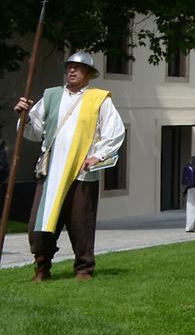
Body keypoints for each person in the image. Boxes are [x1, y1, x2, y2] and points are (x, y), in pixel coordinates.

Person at [12, 51, 125, 281]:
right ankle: (42, 268)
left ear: (89, 74)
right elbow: (33, 132)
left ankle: (84, 269)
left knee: (81, 223)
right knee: (40, 223)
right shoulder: (51, 96)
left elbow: (115, 132)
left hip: (81, 173)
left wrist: (98, 156)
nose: (72, 70)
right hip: (51, 172)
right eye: (69, 67)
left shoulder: (99, 99)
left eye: (78, 67)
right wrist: (25, 118)